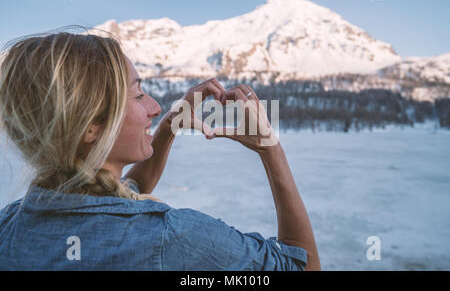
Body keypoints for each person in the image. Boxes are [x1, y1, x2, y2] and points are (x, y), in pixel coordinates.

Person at [0, 32, 320, 270]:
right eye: (138, 95)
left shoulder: (11, 223)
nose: (154, 106)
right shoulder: (173, 239)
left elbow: (114, 199)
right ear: (90, 127)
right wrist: (271, 150)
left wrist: (168, 127)